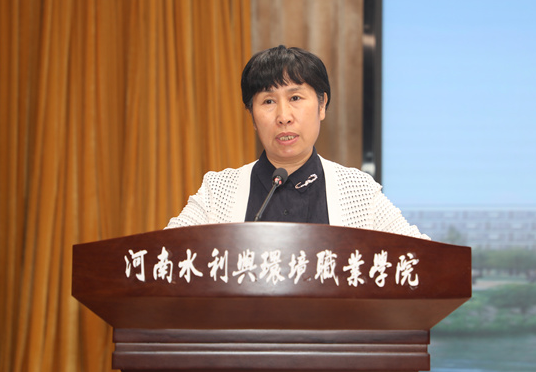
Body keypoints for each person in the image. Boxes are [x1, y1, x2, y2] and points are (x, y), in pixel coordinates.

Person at [166, 45, 429, 240]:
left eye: (295, 98)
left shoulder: (358, 191)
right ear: (252, 116)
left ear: (322, 105)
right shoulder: (218, 191)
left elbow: (420, 258)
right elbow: (165, 255)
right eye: (268, 101)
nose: (283, 117)